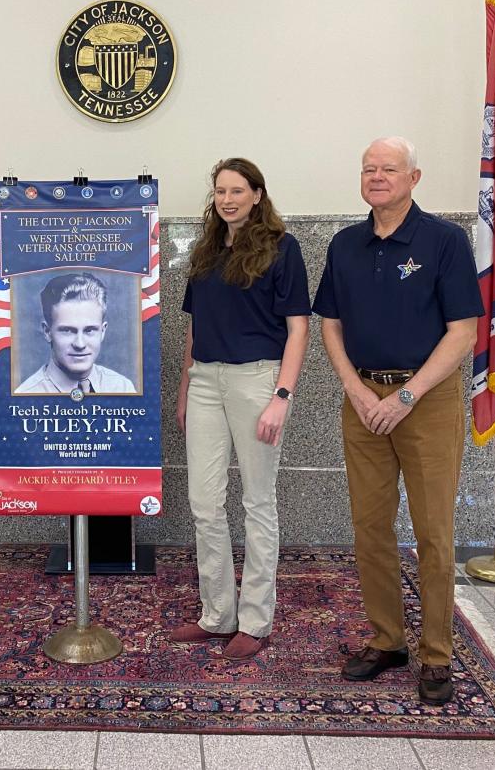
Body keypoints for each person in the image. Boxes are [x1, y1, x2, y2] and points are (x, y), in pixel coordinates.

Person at [312, 136, 482, 705]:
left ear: (414, 177)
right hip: (363, 400)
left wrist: (405, 397)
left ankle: (436, 654)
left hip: (425, 402)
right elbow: (329, 323)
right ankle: (387, 640)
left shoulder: (444, 241)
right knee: (370, 527)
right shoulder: (345, 244)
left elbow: (463, 332)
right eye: (369, 169)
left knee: (434, 533)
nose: (377, 177)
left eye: (389, 169)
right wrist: (355, 389)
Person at [173, 158, 310, 659]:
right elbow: (193, 328)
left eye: (237, 190)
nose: (228, 199)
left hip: (258, 380)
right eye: (220, 191)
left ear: (257, 194)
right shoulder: (207, 251)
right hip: (206, 379)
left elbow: (299, 328)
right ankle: (217, 615)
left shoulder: (282, 248)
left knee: (257, 502)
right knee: (205, 502)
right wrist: (186, 389)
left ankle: (254, 621)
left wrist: (282, 396)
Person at [15, 271, 137, 394]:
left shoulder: (122, 388)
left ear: (102, 331)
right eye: (67, 330)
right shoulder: (25, 396)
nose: (80, 344)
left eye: (89, 330)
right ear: (47, 332)